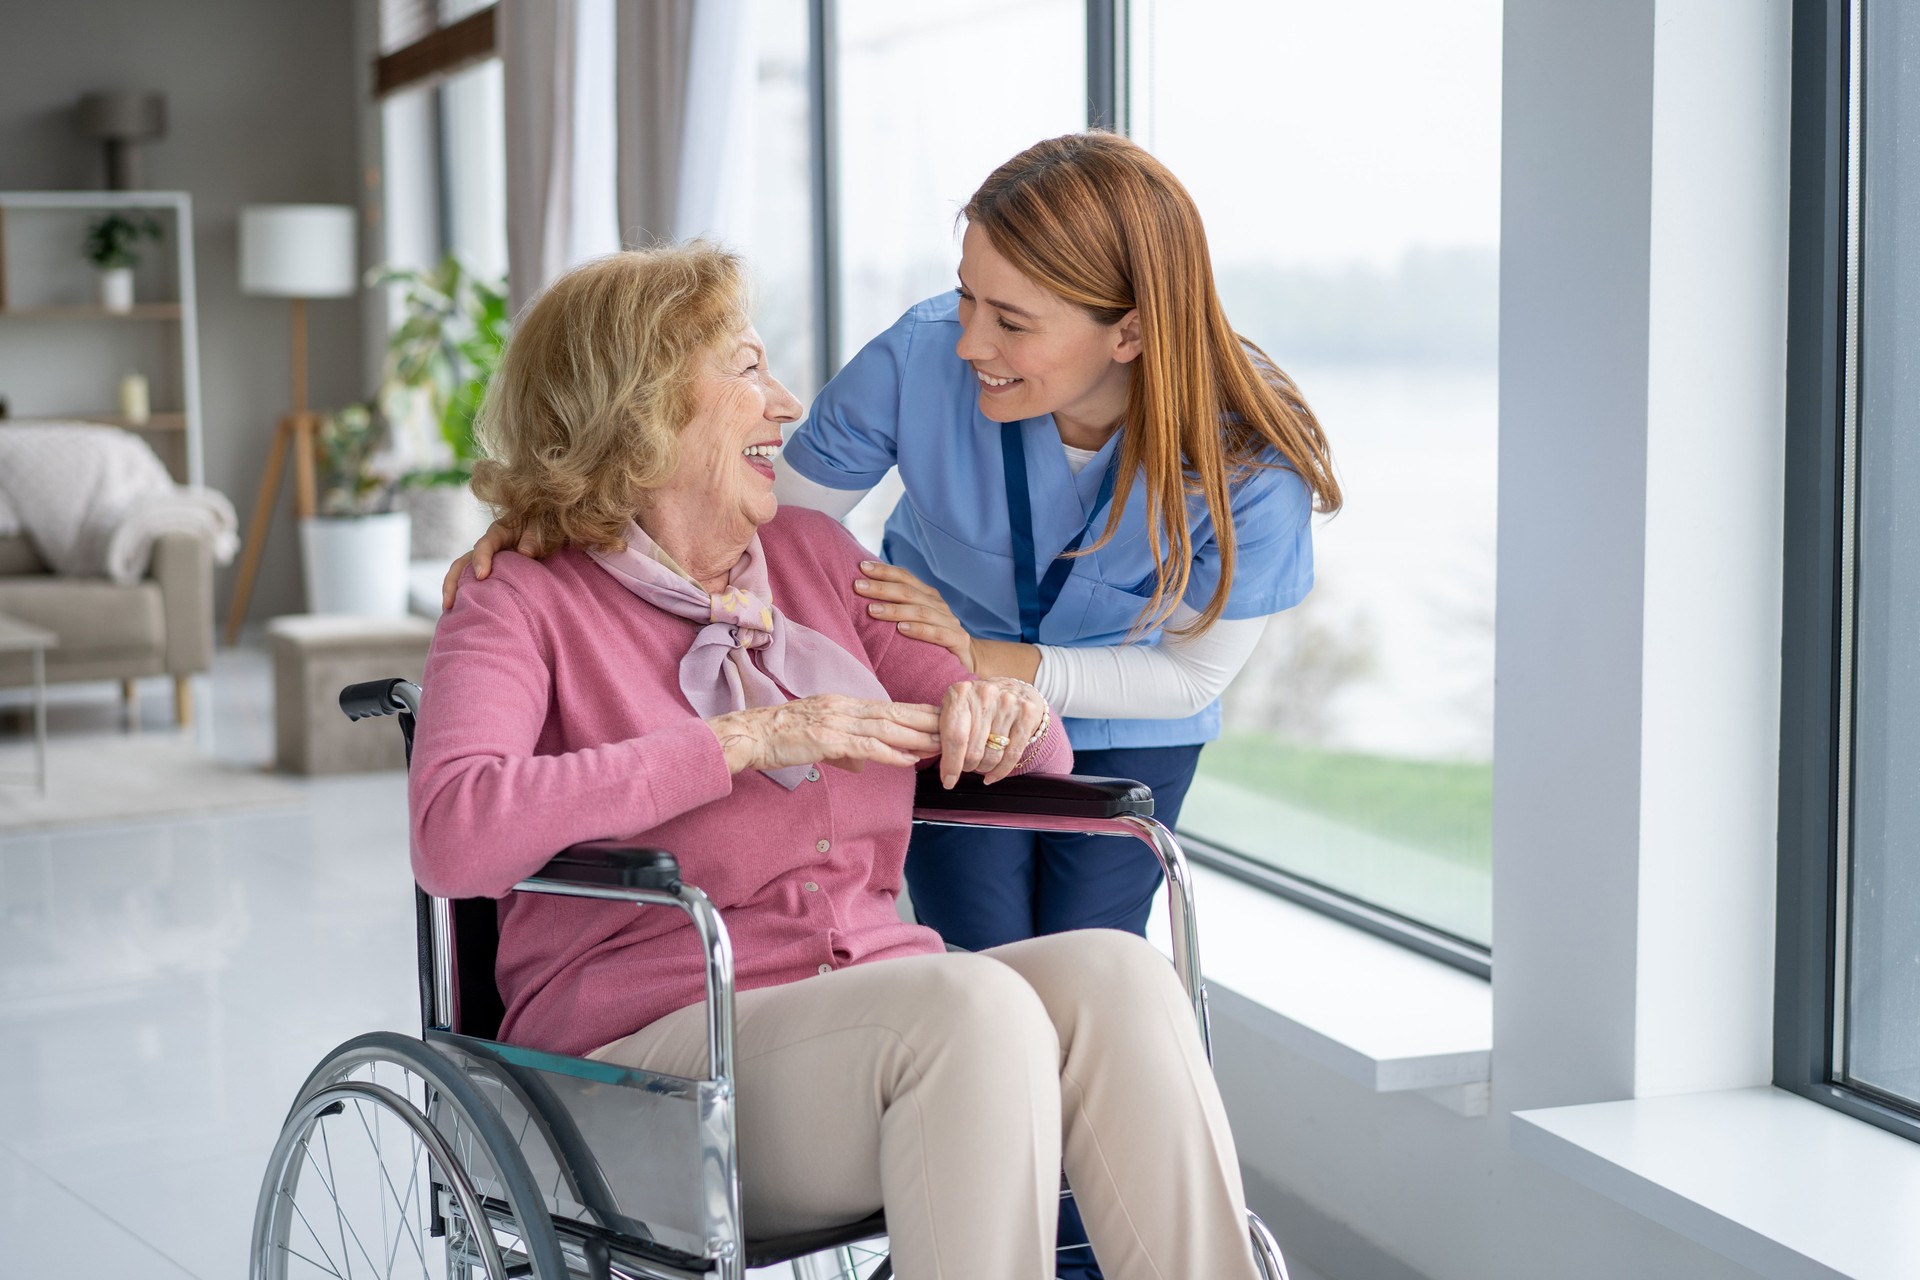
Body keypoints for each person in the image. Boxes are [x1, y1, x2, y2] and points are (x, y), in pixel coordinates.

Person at [447, 130, 1337, 1278]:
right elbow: (456, 830)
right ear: (642, 407)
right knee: (973, 1009)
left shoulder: (818, 564)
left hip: (860, 1004)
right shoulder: (519, 599)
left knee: (1120, 975)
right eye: (749, 366)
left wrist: (997, 712)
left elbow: (1036, 740)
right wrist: (742, 739)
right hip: (657, 1056)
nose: (789, 400)